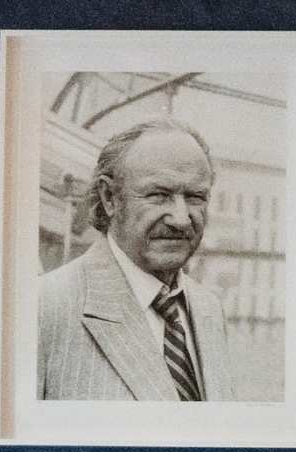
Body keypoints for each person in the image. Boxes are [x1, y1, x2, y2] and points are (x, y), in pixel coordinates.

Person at [38, 119, 236, 401]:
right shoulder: (43, 307)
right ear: (109, 198)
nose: (181, 219)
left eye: (195, 197)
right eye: (159, 195)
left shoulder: (208, 309)